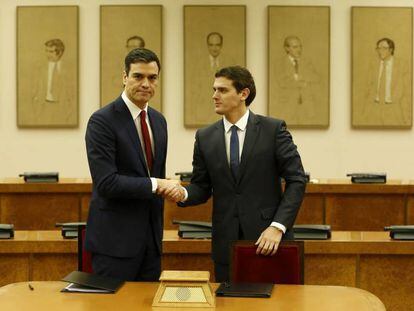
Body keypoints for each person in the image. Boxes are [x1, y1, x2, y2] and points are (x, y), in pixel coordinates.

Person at [164, 66, 307, 282]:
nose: (214, 96)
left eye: (222, 90)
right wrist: (182, 193)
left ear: (243, 94)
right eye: (214, 90)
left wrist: (277, 227)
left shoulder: (273, 129)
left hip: (269, 240)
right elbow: (201, 187)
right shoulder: (205, 137)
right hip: (226, 245)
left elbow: (297, 180)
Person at [85, 48, 179, 281]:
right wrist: (158, 184)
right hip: (114, 245)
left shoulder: (159, 121)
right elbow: (107, 183)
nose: (146, 83)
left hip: (151, 243)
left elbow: (153, 174)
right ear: (124, 77)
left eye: (152, 77)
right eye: (138, 76)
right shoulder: (102, 120)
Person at [272, 36, 321, 124]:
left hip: (307, 105)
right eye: (295, 47)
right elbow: (282, 82)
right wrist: (302, 83)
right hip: (287, 105)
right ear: (287, 48)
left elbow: (316, 77)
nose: (299, 50)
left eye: (300, 46)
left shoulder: (306, 62)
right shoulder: (280, 63)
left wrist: (299, 77)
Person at [363, 37, 410, 125]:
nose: (380, 51)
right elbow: (367, 88)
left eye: (384, 48)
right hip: (375, 108)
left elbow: (408, 91)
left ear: (391, 49)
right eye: (378, 48)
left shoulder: (402, 65)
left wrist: (407, 115)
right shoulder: (373, 64)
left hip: (394, 109)